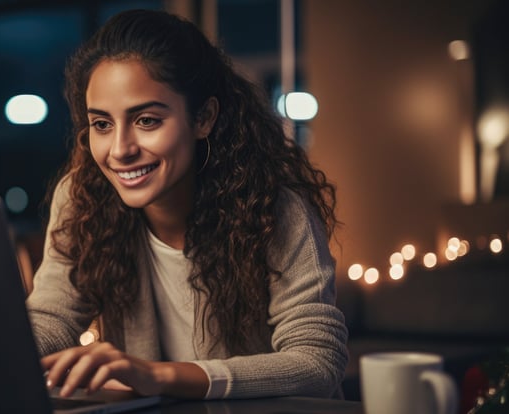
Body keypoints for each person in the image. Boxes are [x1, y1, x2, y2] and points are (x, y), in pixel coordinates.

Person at [26, 9, 349, 400]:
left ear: (203, 118)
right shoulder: (82, 197)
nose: (119, 150)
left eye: (146, 120)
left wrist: (161, 377)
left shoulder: (274, 208)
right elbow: (52, 316)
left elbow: (316, 362)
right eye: (102, 124)